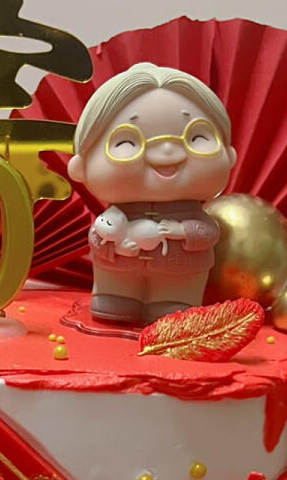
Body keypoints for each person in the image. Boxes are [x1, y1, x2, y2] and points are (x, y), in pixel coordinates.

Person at [67, 62, 236, 325]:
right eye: (127, 142)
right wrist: (115, 245)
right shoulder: (114, 215)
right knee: (114, 297)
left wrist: (181, 230)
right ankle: (116, 297)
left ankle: (174, 302)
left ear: (229, 155)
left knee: (174, 307)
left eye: (196, 138)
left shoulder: (192, 214)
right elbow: (97, 236)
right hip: (118, 271)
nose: (167, 152)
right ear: (81, 166)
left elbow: (208, 233)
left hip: (180, 273)